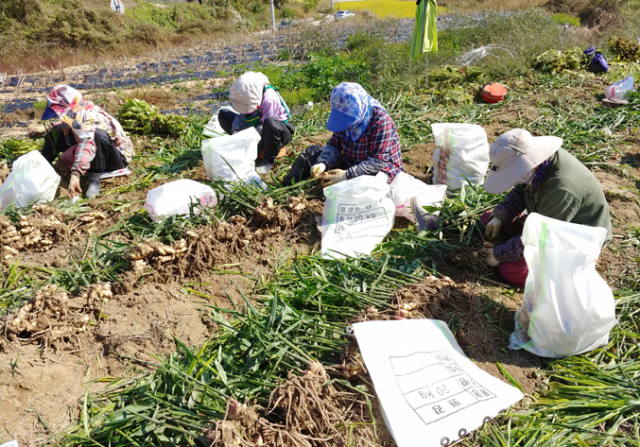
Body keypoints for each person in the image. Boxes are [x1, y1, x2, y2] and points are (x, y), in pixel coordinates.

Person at [477, 128, 612, 286]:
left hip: (573, 240)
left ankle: (564, 270)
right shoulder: (536, 168)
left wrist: (498, 255)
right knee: (488, 218)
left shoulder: (562, 188)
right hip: (548, 218)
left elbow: (541, 236)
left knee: (510, 270)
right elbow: (520, 193)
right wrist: (500, 216)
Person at [281, 82, 403, 187]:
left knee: (372, 186)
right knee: (310, 153)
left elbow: (378, 161)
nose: (346, 126)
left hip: (377, 172)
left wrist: (346, 175)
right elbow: (334, 144)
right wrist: (323, 163)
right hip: (350, 163)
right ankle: (285, 185)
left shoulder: (381, 122)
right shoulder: (342, 112)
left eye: (348, 121)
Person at [33, 85, 134, 199]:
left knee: (99, 135)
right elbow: (68, 124)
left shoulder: (90, 116)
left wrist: (75, 175)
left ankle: (94, 179)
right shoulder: (77, 110)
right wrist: (48, 127)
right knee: (54, 132)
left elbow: (87, 144)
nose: (60, 116)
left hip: (113, 158)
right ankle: (44, 165)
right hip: (91, 147)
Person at [218, 72, 293, 175]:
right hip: (254, 126)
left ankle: (269, 158)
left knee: (270, 123)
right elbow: (241, 116)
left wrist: (250, 143)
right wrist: (236, 133)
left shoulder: (269, 99)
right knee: (224, 113)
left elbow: (264, 127)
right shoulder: (245, 95)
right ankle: (240, 146)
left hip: (277, 131)